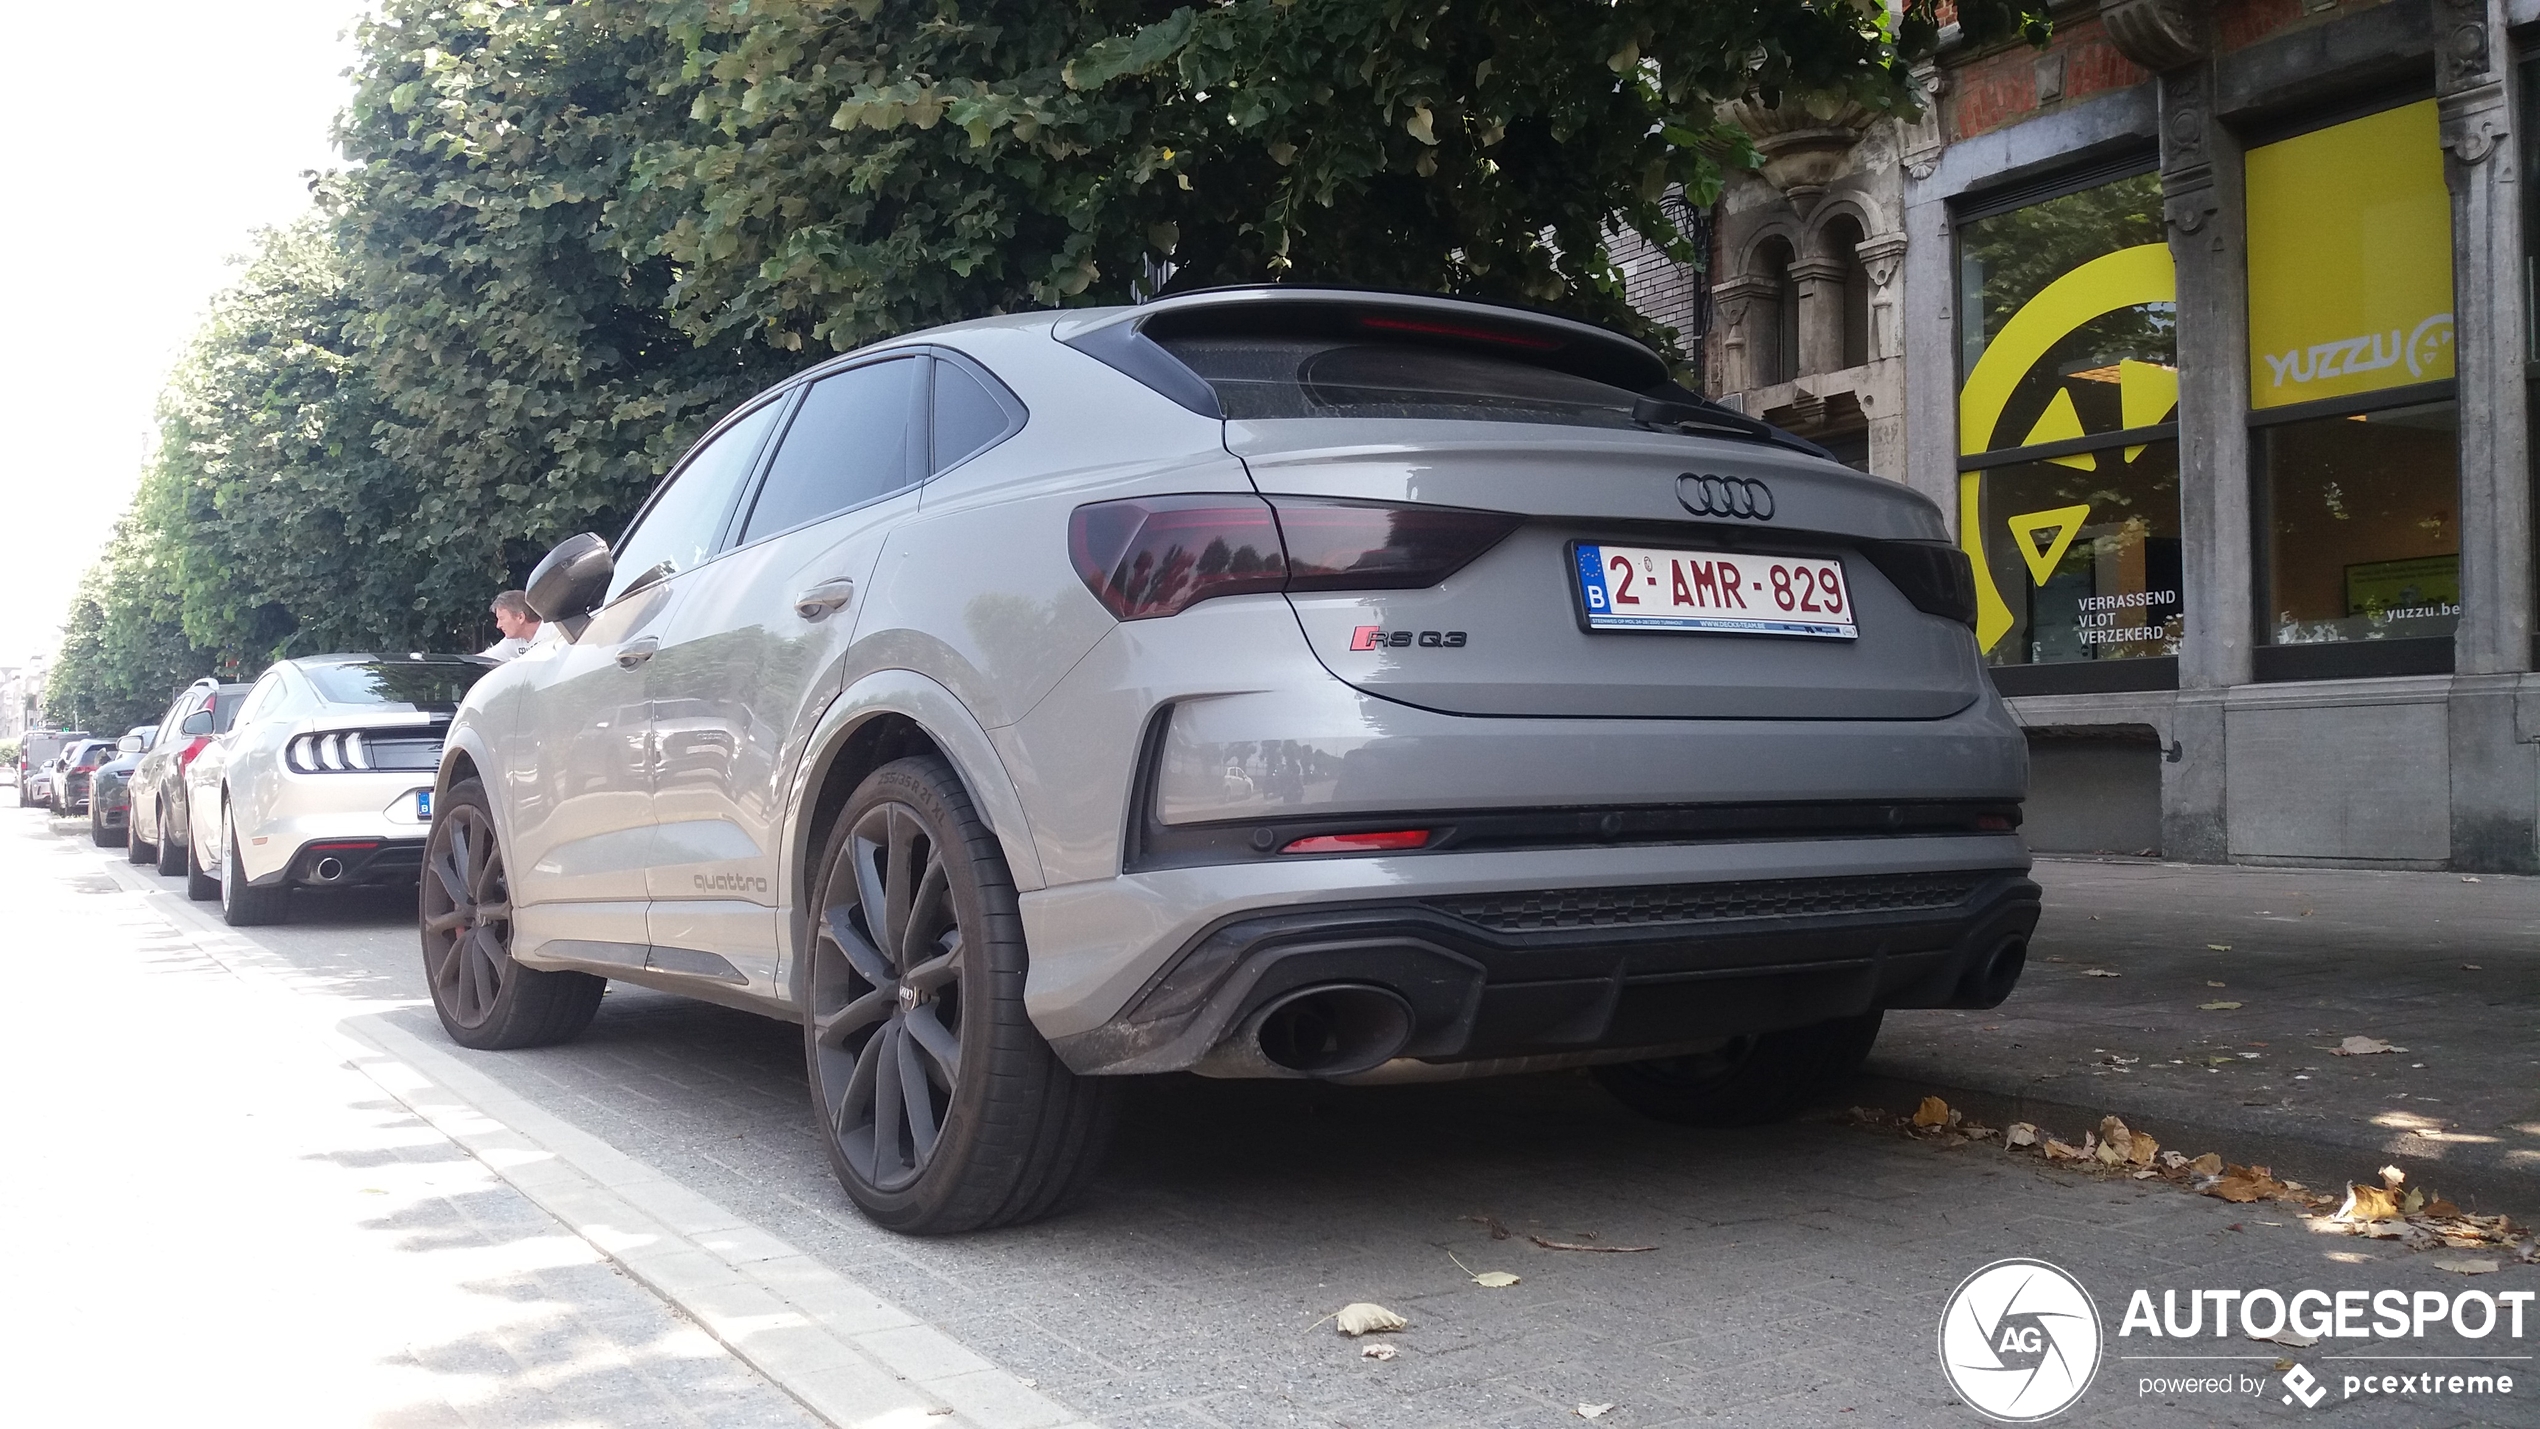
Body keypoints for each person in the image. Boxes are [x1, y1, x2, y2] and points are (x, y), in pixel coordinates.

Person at [481, 590, 543, 662]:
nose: (498, 625)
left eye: (502, 618)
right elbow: (484, 658)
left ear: (520, 617)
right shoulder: (513, 640)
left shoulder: (555, 629)